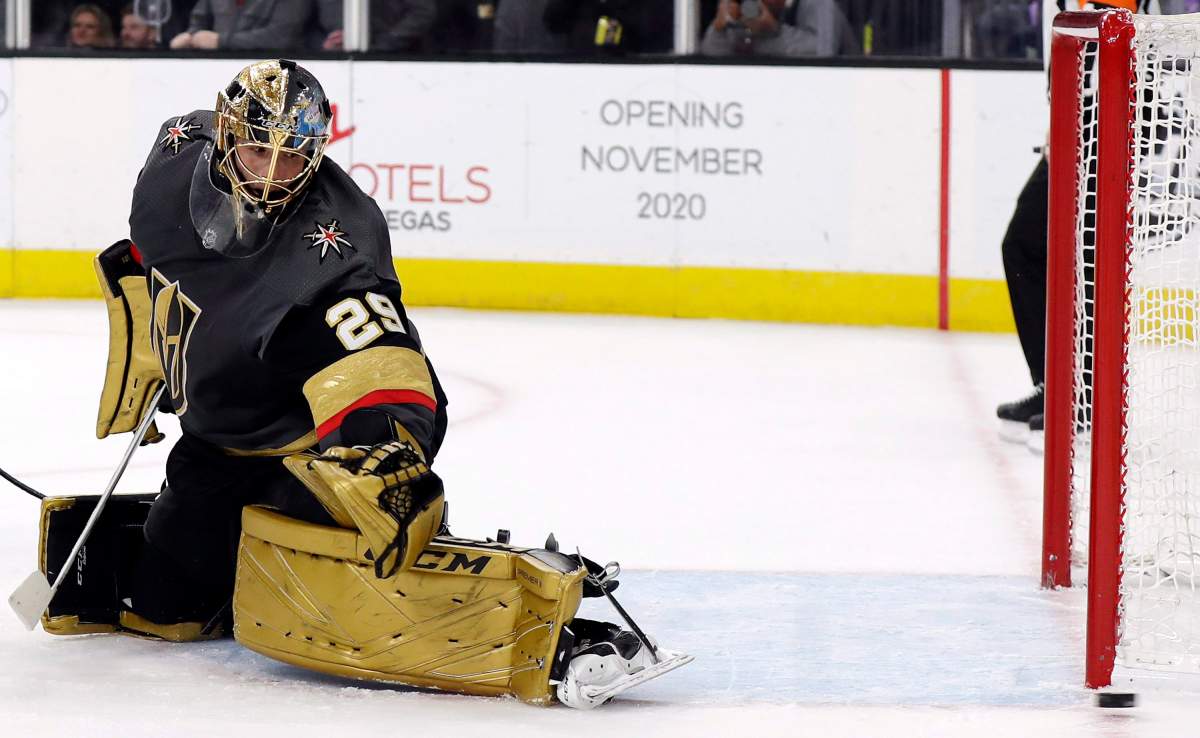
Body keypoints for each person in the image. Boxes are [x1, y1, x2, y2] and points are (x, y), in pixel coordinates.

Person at [35, 59, 685, 707]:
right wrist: (155, 364)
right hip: (217, 439)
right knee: (161, 612)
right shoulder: (171, 163)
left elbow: (383, 363)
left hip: (308, 453)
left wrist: (384, 454)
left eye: (294, 157)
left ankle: (542, 626)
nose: (272, 174)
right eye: (259, 150)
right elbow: (155, 270)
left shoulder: (336, 248)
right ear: (227, 138)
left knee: (340, 588)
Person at [997, 0, 1156, 449]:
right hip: (1074, 122)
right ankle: (1055, 383)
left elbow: (1111, 26)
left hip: (1112, 119)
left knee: (1087, 258)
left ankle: (1082, 399)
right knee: (1024, 245)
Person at [701, 0, 858, 57]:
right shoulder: (750, 8)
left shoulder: (819, 5)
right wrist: (719, 28)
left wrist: (774, 32)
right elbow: (711, 53)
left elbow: (823, 51)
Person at [171, 0, 341, 51]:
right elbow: (200, 21)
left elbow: (282, 38)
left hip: (276, 78)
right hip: (218, 75)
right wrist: (191, 36)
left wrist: (221, 41)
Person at [542, 0, 675, 54]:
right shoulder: (579, 6)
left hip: (629, 69)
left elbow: (650, 34)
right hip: (578, 67)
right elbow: (552, 21)